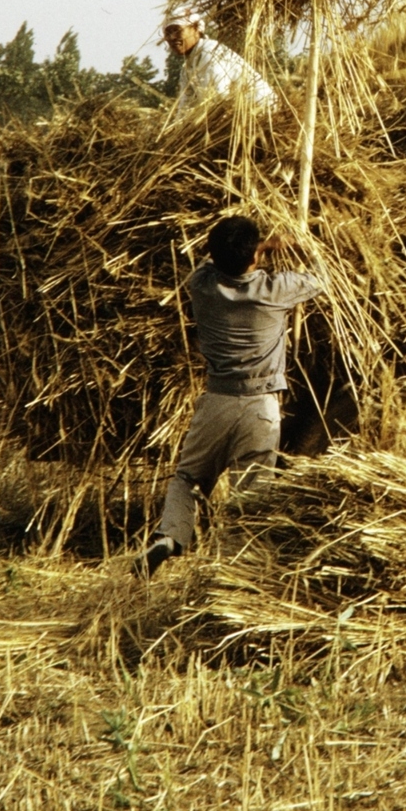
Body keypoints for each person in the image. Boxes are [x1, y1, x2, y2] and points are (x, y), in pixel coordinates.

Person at [141, 214, 320, 575]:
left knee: (188, 478)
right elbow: (322, 278)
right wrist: (299, 244)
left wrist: (256, 248)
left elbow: (212, 259)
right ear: (254, 256)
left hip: (217, 402)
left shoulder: (201, 285)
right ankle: (239, 569)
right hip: (260, 406)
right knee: (251, 498)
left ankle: (170, 534)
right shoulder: (275, 289)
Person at [162, 7, 277, 110]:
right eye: (168, 33)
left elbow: (218, 101)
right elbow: (185, 108)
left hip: (260, 112)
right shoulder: (187, 69)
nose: (172, 37)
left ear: (196, 29)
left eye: (178, 30)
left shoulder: (210, 54)